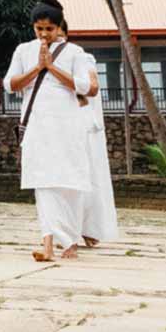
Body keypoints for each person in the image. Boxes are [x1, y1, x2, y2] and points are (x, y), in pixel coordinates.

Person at [3, 0, 100, 261]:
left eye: (49, 29)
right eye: (39, 29)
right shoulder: (23, 50)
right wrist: (37, 68)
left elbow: (89, 87)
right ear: (33, 27)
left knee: (69, 183)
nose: (44, 34)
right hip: (37, 125)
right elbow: (10, 84)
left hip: (68, 125)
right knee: (43, 184)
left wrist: (52, 68)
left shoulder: (75, 52)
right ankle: (47, 245)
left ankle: (70, 242)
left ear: (59, 27)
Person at [66, 14, 119, 247]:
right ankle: (67, 229)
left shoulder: (81, 57)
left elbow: (90, 89)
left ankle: (91, 228)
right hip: (63, 129)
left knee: (91, 178)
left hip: (85, 127)